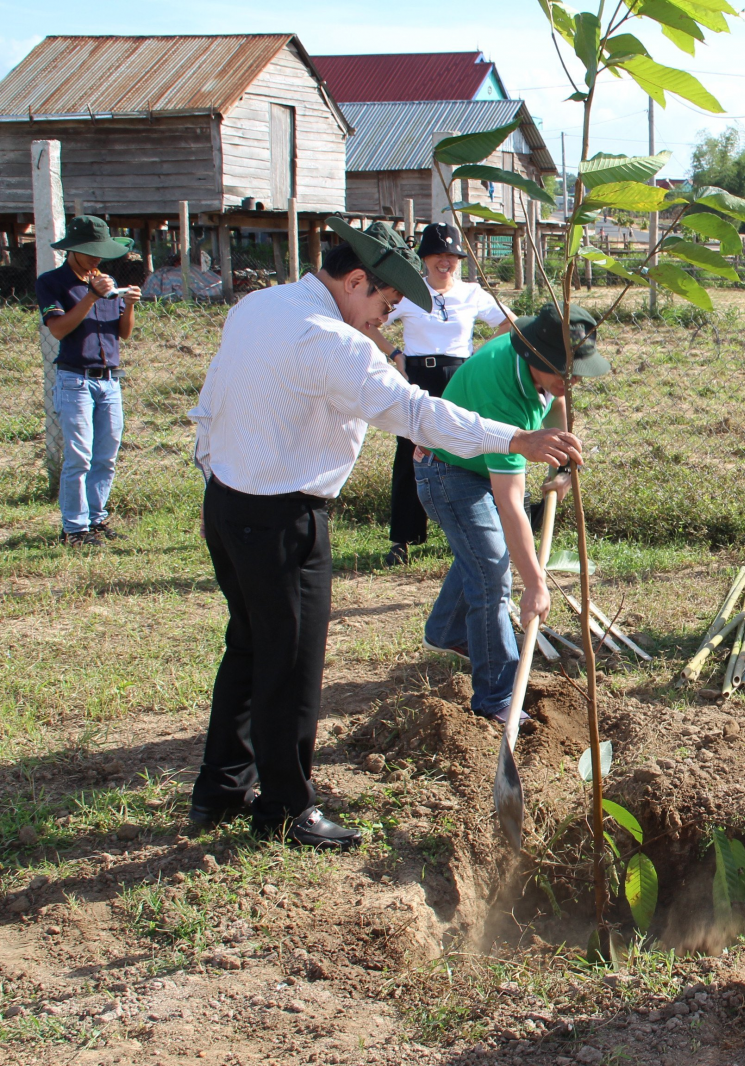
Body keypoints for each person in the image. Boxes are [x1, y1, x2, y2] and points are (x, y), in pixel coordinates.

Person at [187, 219, 584, 849]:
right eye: (384, 305)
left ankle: (221, 788)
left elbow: (210, 401)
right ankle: (287, 809)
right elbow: (417, 413)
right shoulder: (334, 342)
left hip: (227, 502)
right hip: (283, 519)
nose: (382, 321)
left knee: (249, 646)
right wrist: (512, 439)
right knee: (289, 664)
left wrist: (211, 468)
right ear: (354, 282)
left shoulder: (258, 305)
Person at [415, 303, 606, 722]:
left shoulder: (533, 361)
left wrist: (561, 461)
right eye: (566, 374)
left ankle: (446, 632)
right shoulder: (503, 395)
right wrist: (536, 585)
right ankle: (498, 698)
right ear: (538, 360)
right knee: (492, 576)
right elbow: (510, 504)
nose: (572, 383)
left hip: (478, 464)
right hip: (448, 472)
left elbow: (554, 406)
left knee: (482, 556)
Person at [372, 223, 513, 568]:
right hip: (418, 375)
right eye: (438, 255)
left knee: (467, 447)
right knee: (410, 450)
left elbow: (509, 321)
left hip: (461, 377)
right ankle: (403, 539)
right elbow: (367, 323)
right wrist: (395, 355)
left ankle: (474, 531)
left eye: (451, 256)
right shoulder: (408, 293)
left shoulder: (471, 293)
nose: (445, 262)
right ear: (424, 259)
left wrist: (479, 356)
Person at [37, 216, 141, 546]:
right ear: (73, 250)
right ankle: (74, 528)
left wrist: (127, 306)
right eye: (90, 252)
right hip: (75, 379)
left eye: (101, 252)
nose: (97, 259)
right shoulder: (52, 282)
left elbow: (122, 334)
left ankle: (96, 520)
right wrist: (92, 297)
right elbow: (58, 329)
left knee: (106, 456)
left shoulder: (106, 282)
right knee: (79, 457)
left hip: (110, 380)